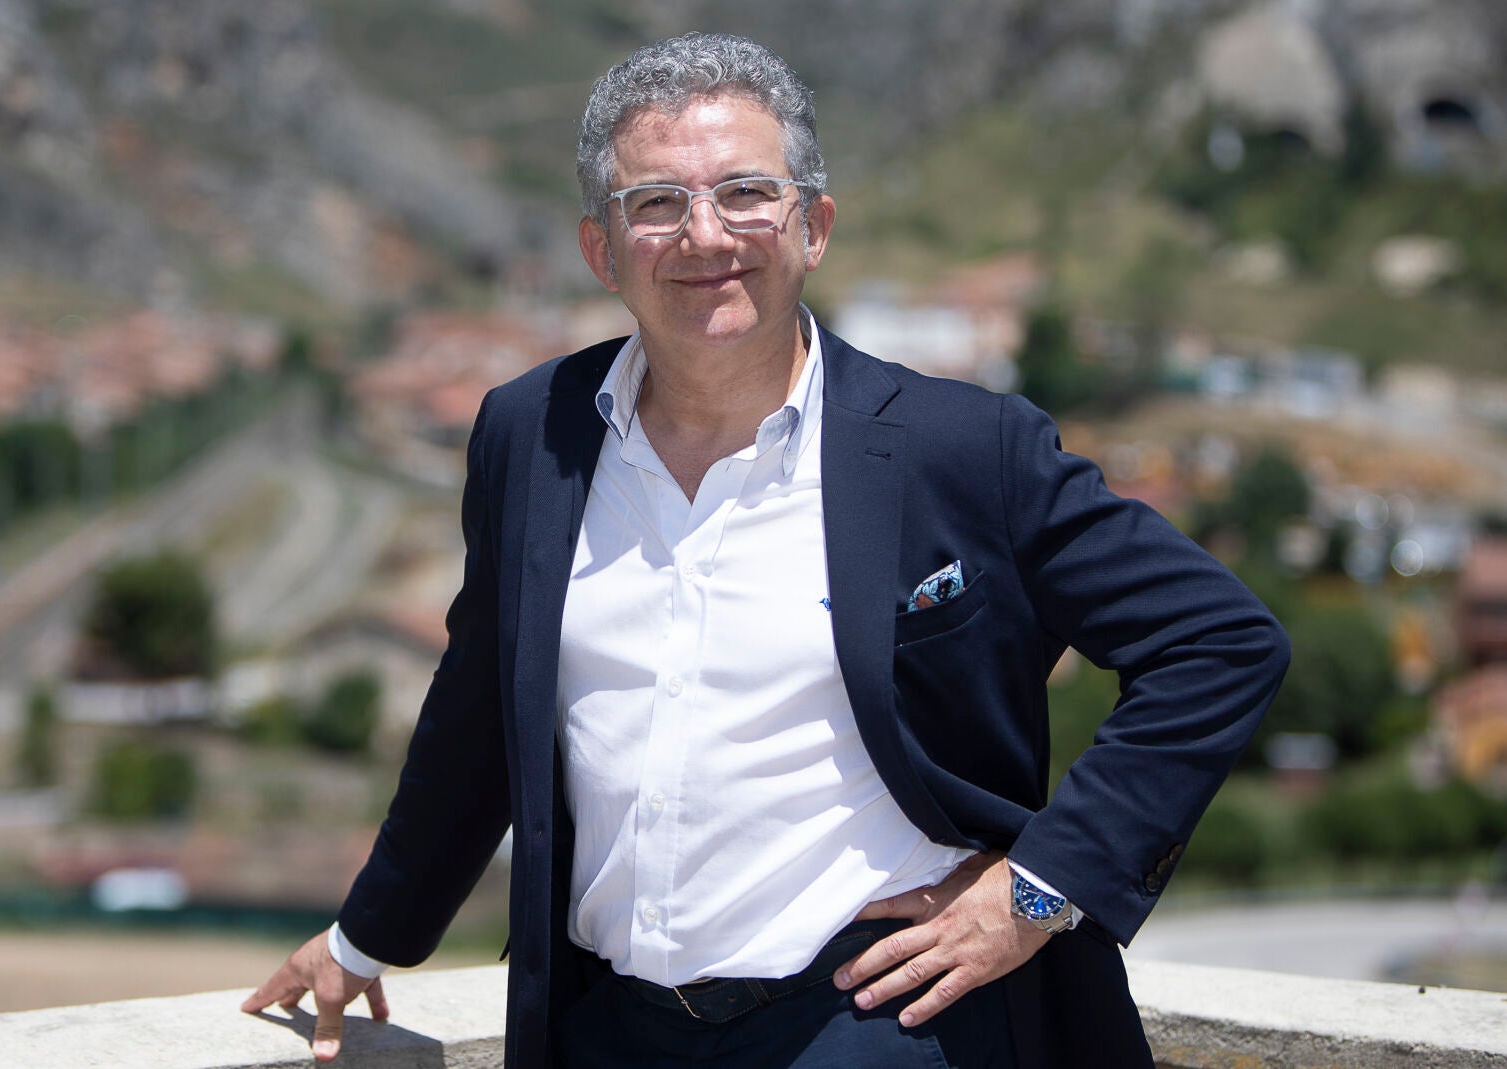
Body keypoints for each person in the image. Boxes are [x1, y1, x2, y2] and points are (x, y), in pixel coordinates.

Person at [244, 31, 1289, 1068]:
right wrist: (364, 937)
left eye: (745, 193)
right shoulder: (530, 433)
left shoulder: (965, 448)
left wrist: (1038, 891)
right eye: (657, 203)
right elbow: (481, 707)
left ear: (813, 226)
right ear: (601, 250)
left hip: (874, 1024)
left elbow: (1219, 642)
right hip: (607, 1029)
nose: (705, 235)